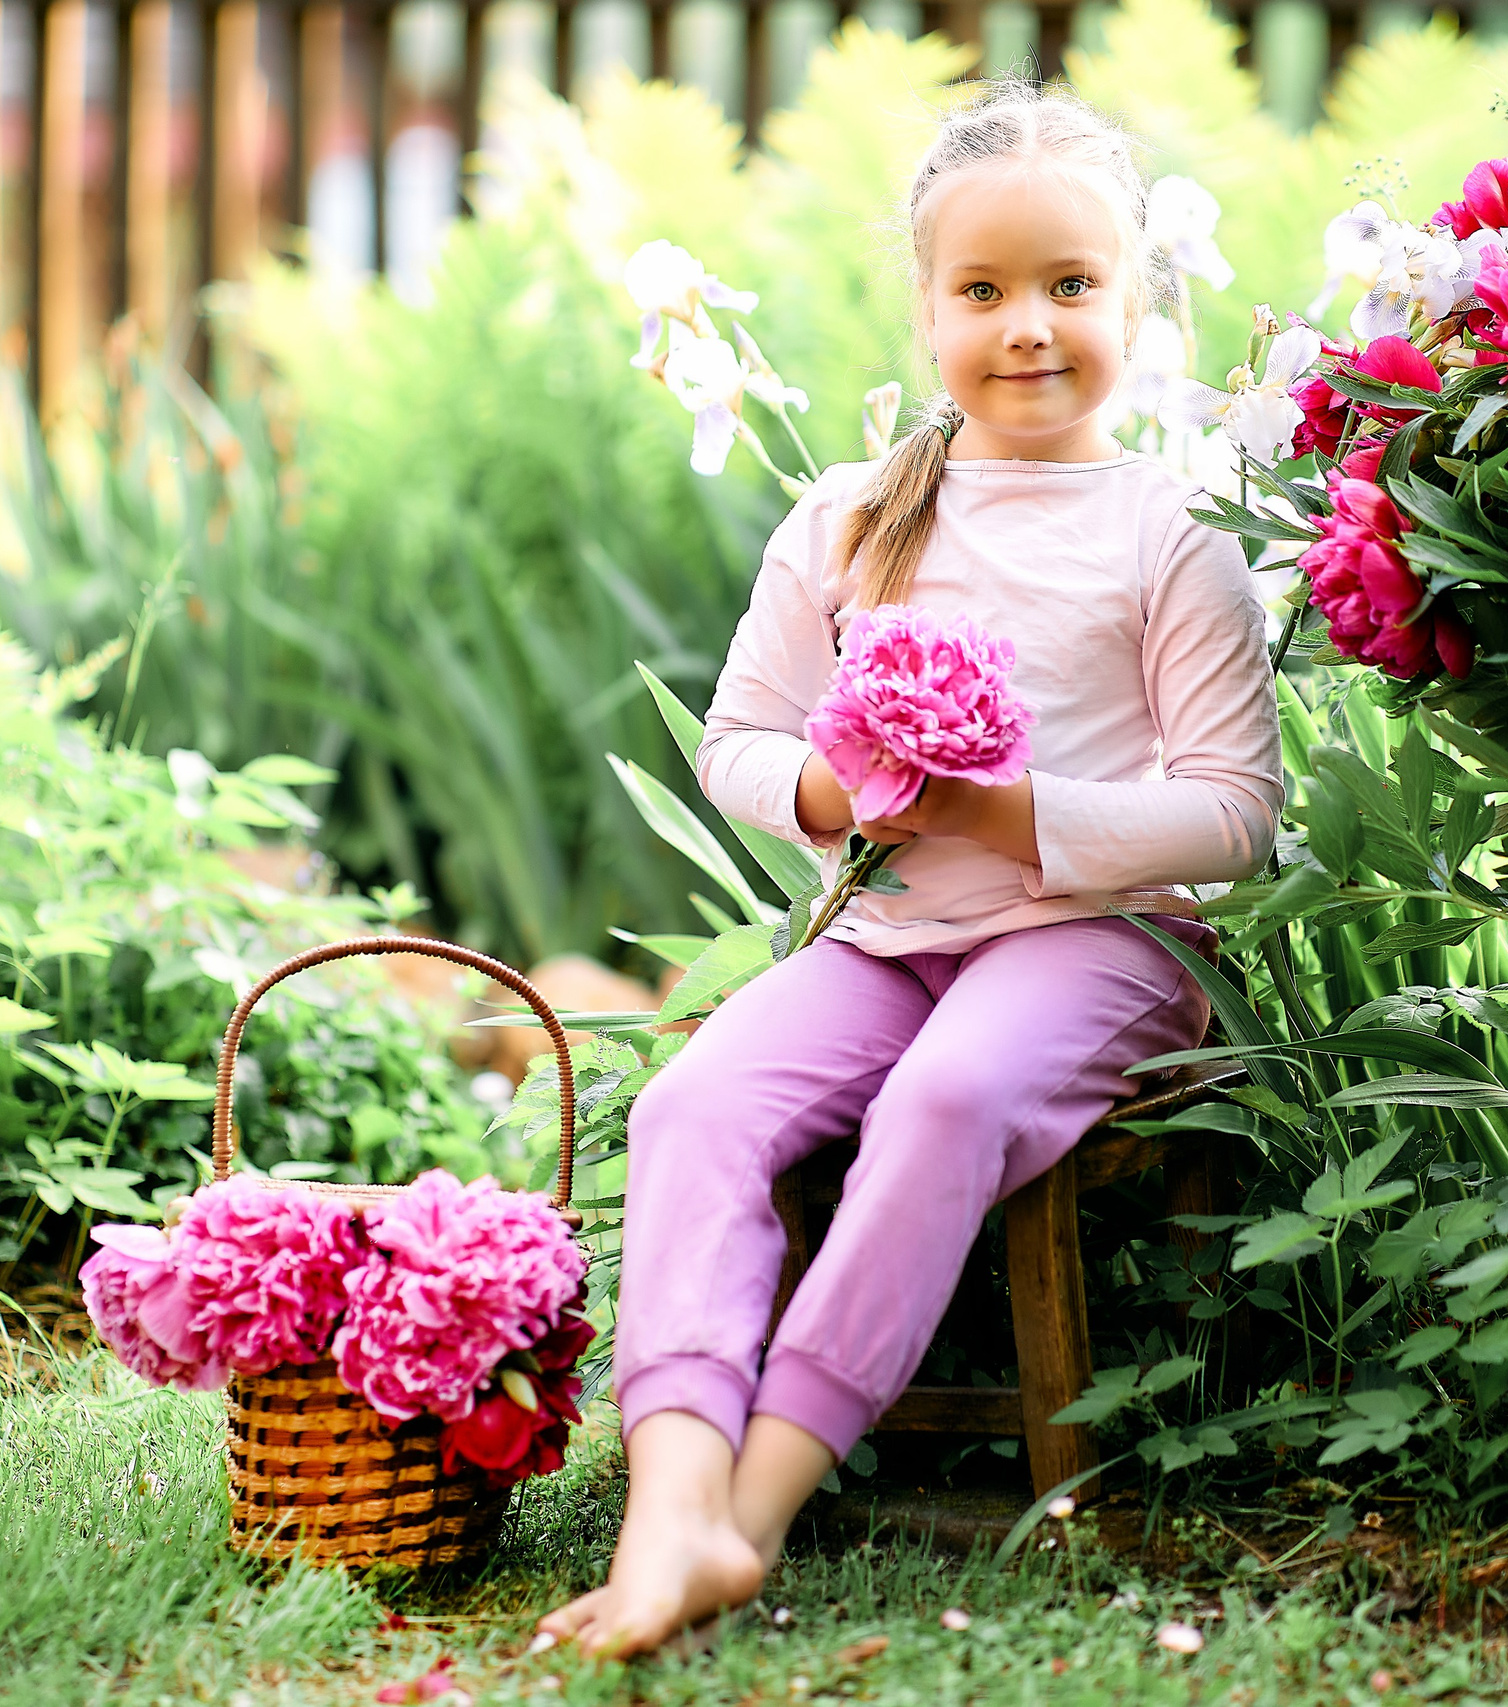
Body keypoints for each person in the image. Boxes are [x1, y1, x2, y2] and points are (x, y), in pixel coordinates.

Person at [538, 81, 1284, 1657]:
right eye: (986, 290)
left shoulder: (1171, 536)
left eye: (1073, 285)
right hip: (889, 936)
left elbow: (1233, 817)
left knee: (950, 1098)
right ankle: (667, 1497)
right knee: (692, 1103)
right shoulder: (852, 517)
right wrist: (833, 781)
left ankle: (755, 1510)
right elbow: (737, 738)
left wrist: (1012, 811)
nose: (1030, 327)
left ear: (1137, 302)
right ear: (926, 308)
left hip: (1103, 937)